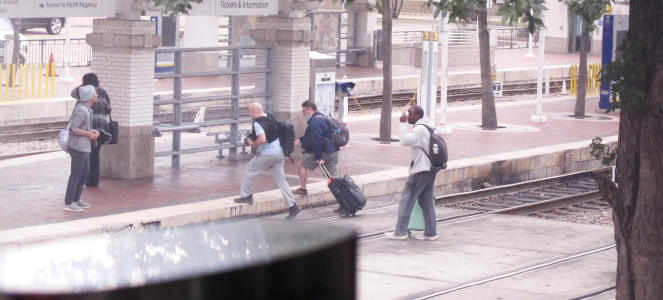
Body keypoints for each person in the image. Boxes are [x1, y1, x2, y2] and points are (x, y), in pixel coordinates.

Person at [234, 102, 302, 220]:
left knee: (248, 169)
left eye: (249, 112)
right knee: (282, 181)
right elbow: (270, 132)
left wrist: (252, 144)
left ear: (254, 112)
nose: (249, 114)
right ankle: (293, 206)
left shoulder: (257, 123)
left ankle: (246, 196)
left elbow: (262, 139)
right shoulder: (270, 117)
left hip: (268, 154)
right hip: (279, 154)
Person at [385, 105, 438, 240]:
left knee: (406, 200)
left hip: (420, 170)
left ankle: (400, 232)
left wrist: (402, 124)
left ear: (418, 116)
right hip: (428, 169)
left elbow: (404, 141)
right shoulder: (427, 126)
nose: (408, 116)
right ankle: (431, 233)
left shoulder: (420, 129)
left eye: (411, 113)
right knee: (426, 201)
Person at [292, 101, 340, 198]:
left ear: (309, 109)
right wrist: (300, 140)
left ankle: (303, 189)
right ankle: (343, 200)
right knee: (333, 179)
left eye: (304, 111)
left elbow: (317, 140)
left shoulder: (315, 122)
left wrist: (318, 157)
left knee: (302, 165)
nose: (303, 113)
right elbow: (311, 135)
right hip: (333, 151)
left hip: (322, 153)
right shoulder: (323, 117)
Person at [71, 73, 111, 187]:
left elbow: (72, 93)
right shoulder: (103, 92)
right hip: (102, 128)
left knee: (87, 154)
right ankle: (94, 180)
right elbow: (109, 109)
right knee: (96, 155)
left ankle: (86, 178)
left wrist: (83, 85)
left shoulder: (83, 92)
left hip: (89, 127)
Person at [63, 85, 99, 212]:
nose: (96, 95)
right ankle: (68, 202)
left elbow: (82, 127)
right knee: (77, 174)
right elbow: (74, 128)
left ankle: (76, 199)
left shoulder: (86, 109)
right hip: (78, 147)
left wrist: (92, 131)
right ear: (89, 96)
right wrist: (88, 134)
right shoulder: (82, 110)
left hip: (84, 147)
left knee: (84, 174)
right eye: (95, 93)